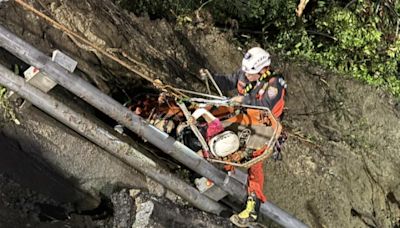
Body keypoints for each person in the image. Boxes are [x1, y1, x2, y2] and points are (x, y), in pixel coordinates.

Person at [200, 47, 287, 226]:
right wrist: (210, 77)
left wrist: (243, 100)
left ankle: (252, 209)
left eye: (251, 73)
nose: (246, 76)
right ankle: (215, 173)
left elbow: (266, 106)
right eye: (245, 71)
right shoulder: (246, 73)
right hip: (245, 120)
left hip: (264, 128)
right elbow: (228, 81)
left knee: (254, 163)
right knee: (215, 127)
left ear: (263, 69)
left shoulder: (274, 84)